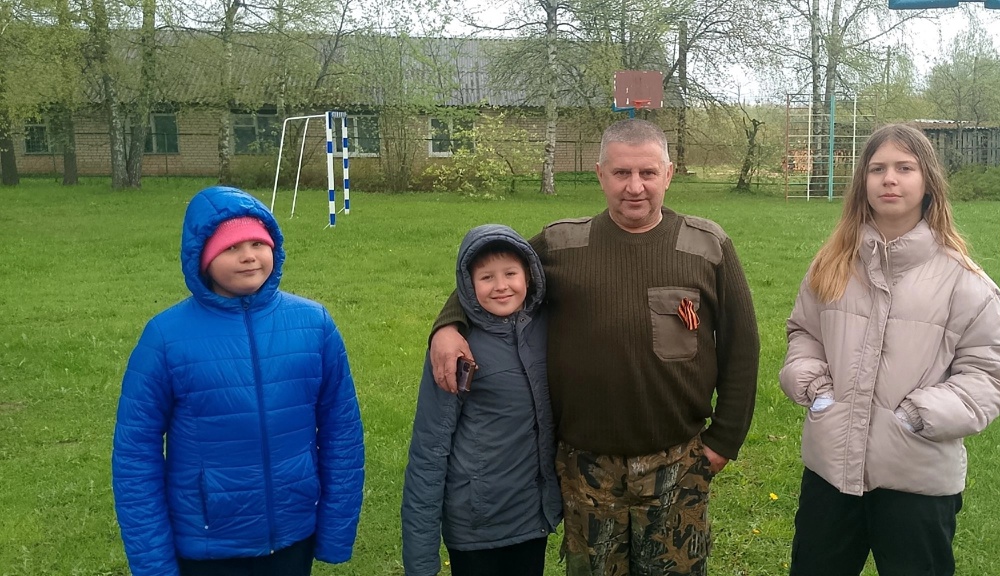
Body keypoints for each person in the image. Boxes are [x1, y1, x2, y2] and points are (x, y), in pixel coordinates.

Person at [427, 118, 760, 576]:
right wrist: (448, 324)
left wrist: (723, 441)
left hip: (677, 458)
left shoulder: (707, 245)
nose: (634, 187)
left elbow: (742, 347)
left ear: (668, 174)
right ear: (600, 174)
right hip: (585, 465)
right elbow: (491, 276)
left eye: (647, 173)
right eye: (621, 173)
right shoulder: (562, 244)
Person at [779, 124, 1000, 576]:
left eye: (904, 168)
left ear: (927, 182)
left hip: (917, 482)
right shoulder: (831, 265)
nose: (890, 179)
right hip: (831, 473)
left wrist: (918, 415)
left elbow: (989, 376)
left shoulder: (964, 282)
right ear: (862, 183)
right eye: (878, 169)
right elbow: (804, 332)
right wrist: (814, 386)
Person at [111, 186, 365, 576]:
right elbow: (135, 454)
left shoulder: (314, 324)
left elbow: (341, 431)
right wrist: (153, 563)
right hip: (207, 546)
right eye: (231, 247)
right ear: (202, 257)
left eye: (257, 243)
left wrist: (335, 530)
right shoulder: (165, 337)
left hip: (293, 537)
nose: (248, 256)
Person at [402, 225, 561, 576]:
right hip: (476, 526)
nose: (501, 285)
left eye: (510, 274)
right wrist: (420, 561)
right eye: (486, 277)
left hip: (531, 518)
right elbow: (430, 450)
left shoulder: (547, 328)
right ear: (467, 285)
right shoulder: (456, 352)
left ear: (529, 276)